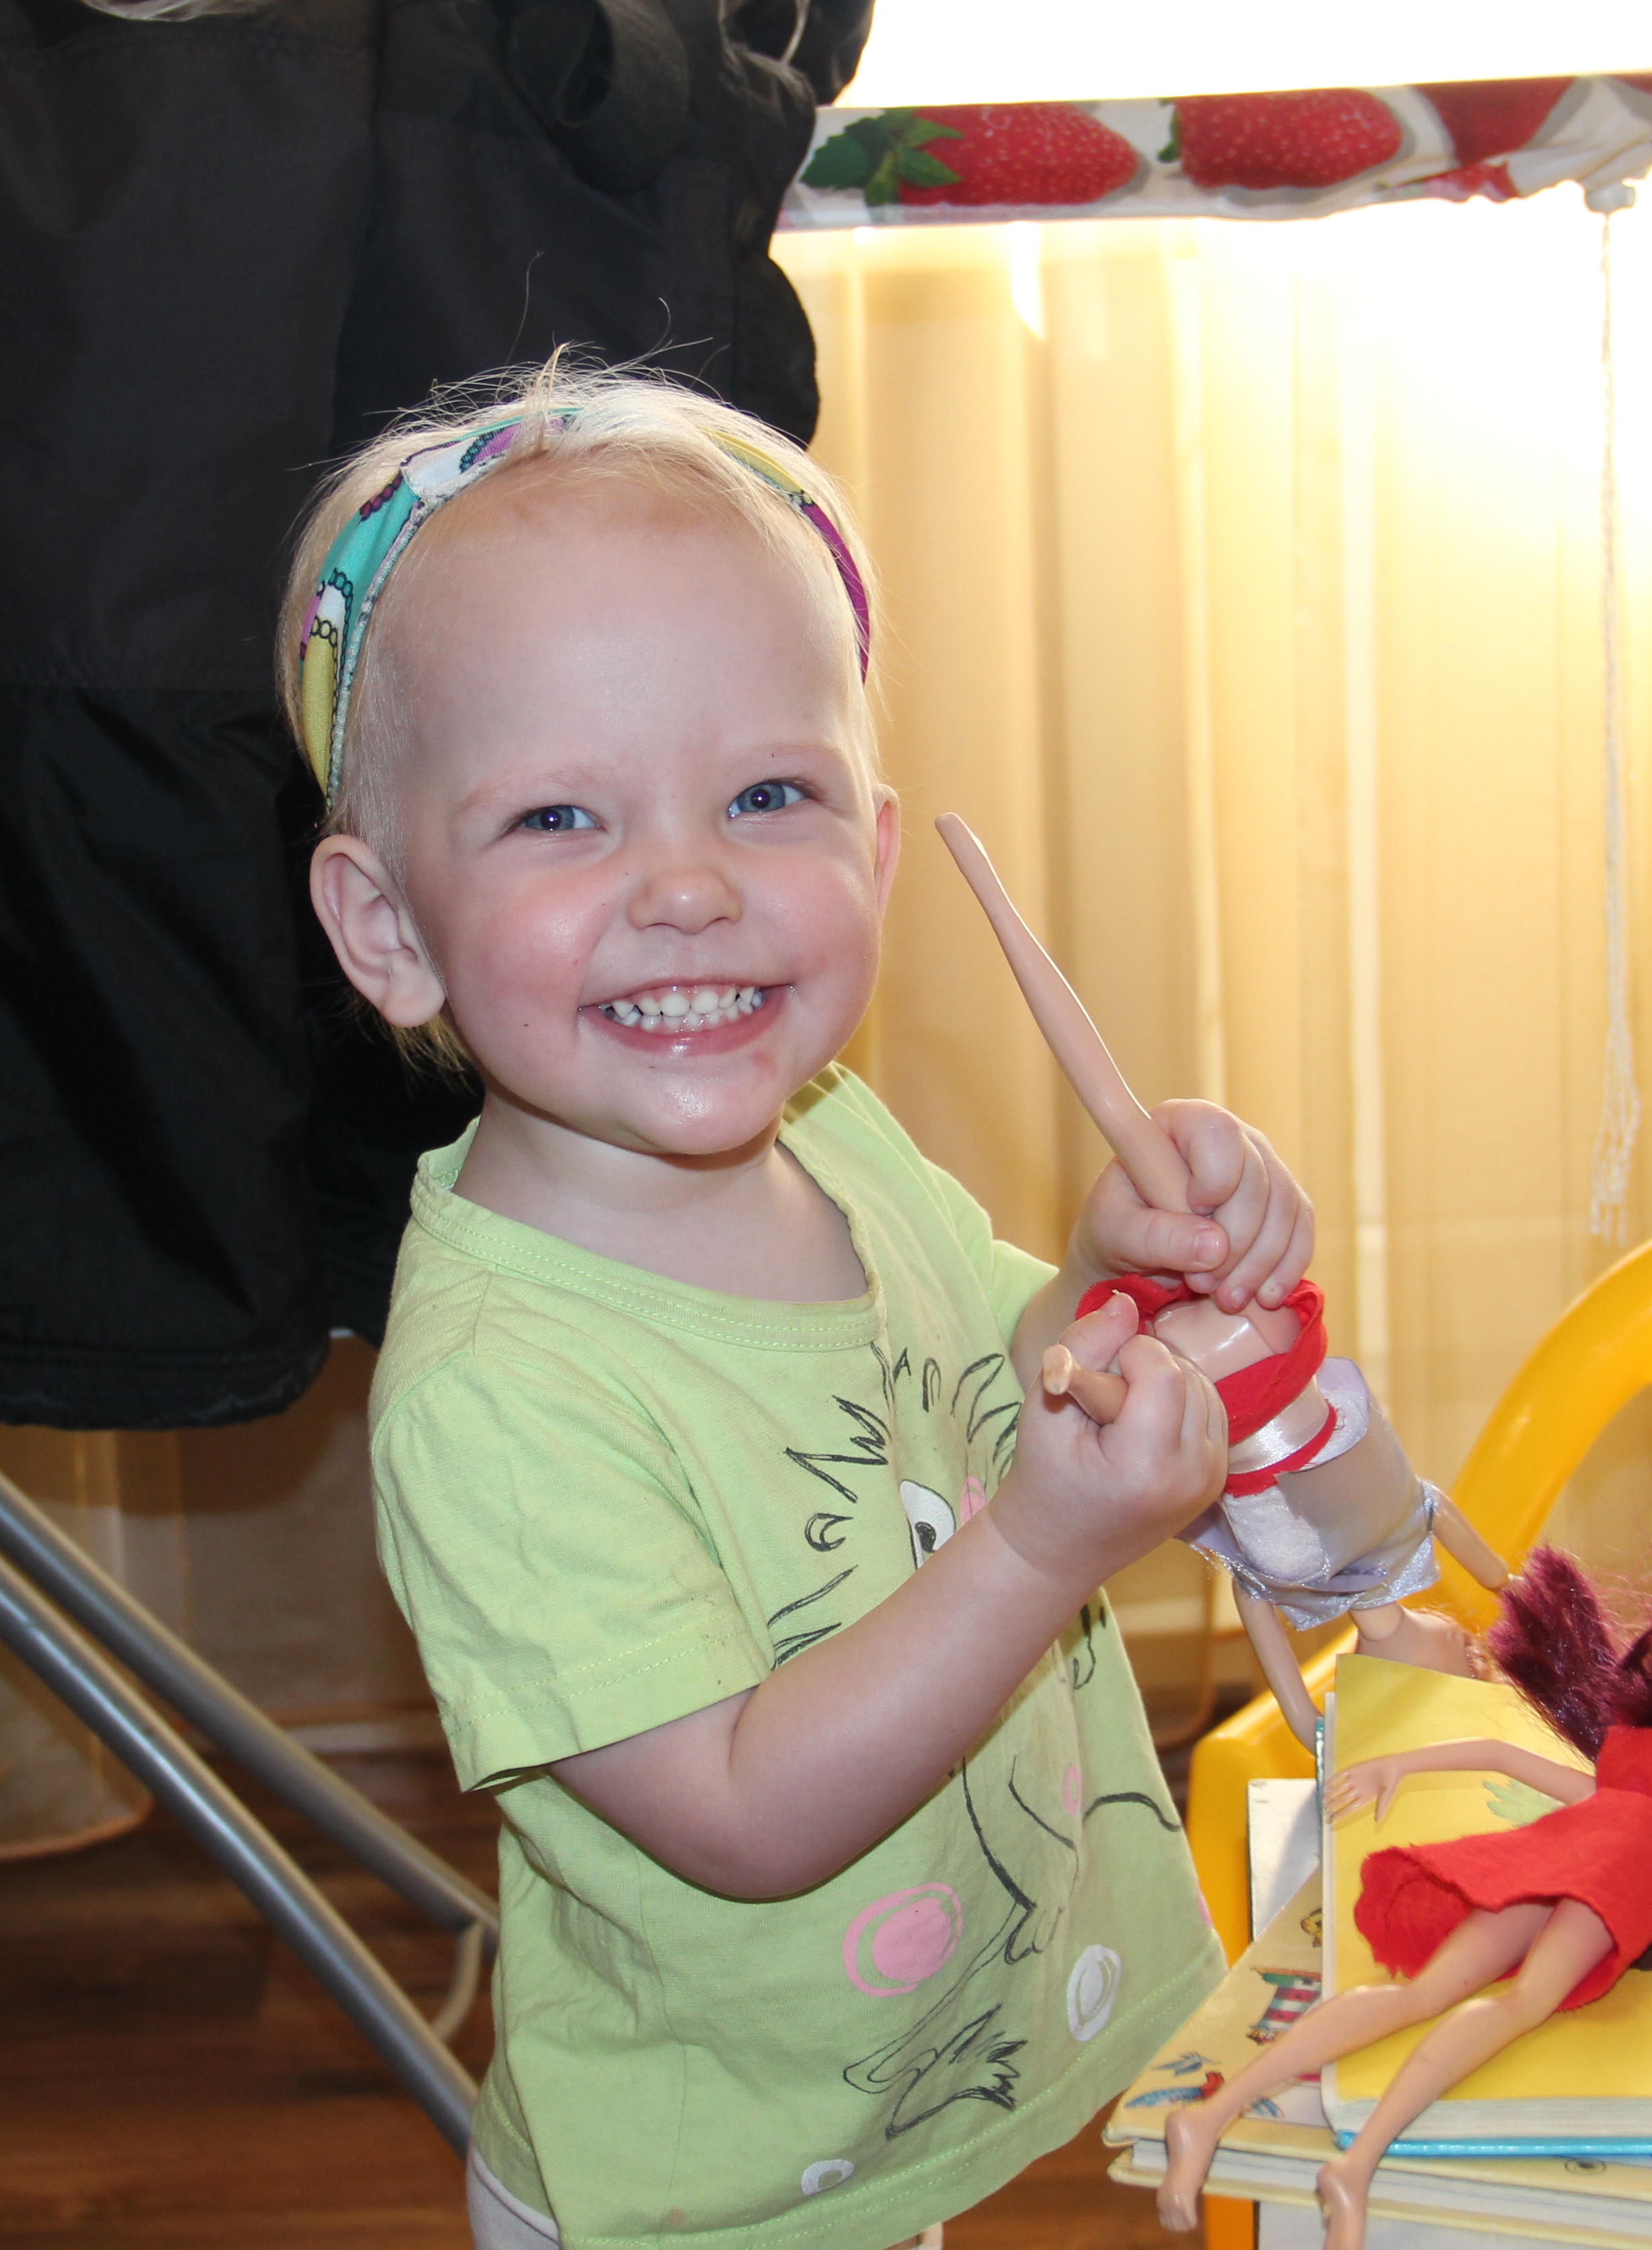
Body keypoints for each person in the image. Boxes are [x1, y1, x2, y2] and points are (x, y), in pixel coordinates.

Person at [283, 356, 1295, 2250]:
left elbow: (998, 1392)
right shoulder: (499, 1388)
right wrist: (1046, 1546)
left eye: (766, 794)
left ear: (876, 850)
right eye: (559, 818)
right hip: (702, 2197)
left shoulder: (834, 1135)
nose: (686, 885)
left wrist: (1117, 1275)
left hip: (876, 2109)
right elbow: (742, 1812)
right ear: (388, 929)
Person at [1150, 1436, 1652, 2248]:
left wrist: (1400, 1764)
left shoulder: (1630, 1769)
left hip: (1561, 1851)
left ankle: (1215, 2119)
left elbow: (1503, 1755)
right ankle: (1354, 2164)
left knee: (1423, 1995)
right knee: (1514, 2004)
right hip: (1609, 1877)